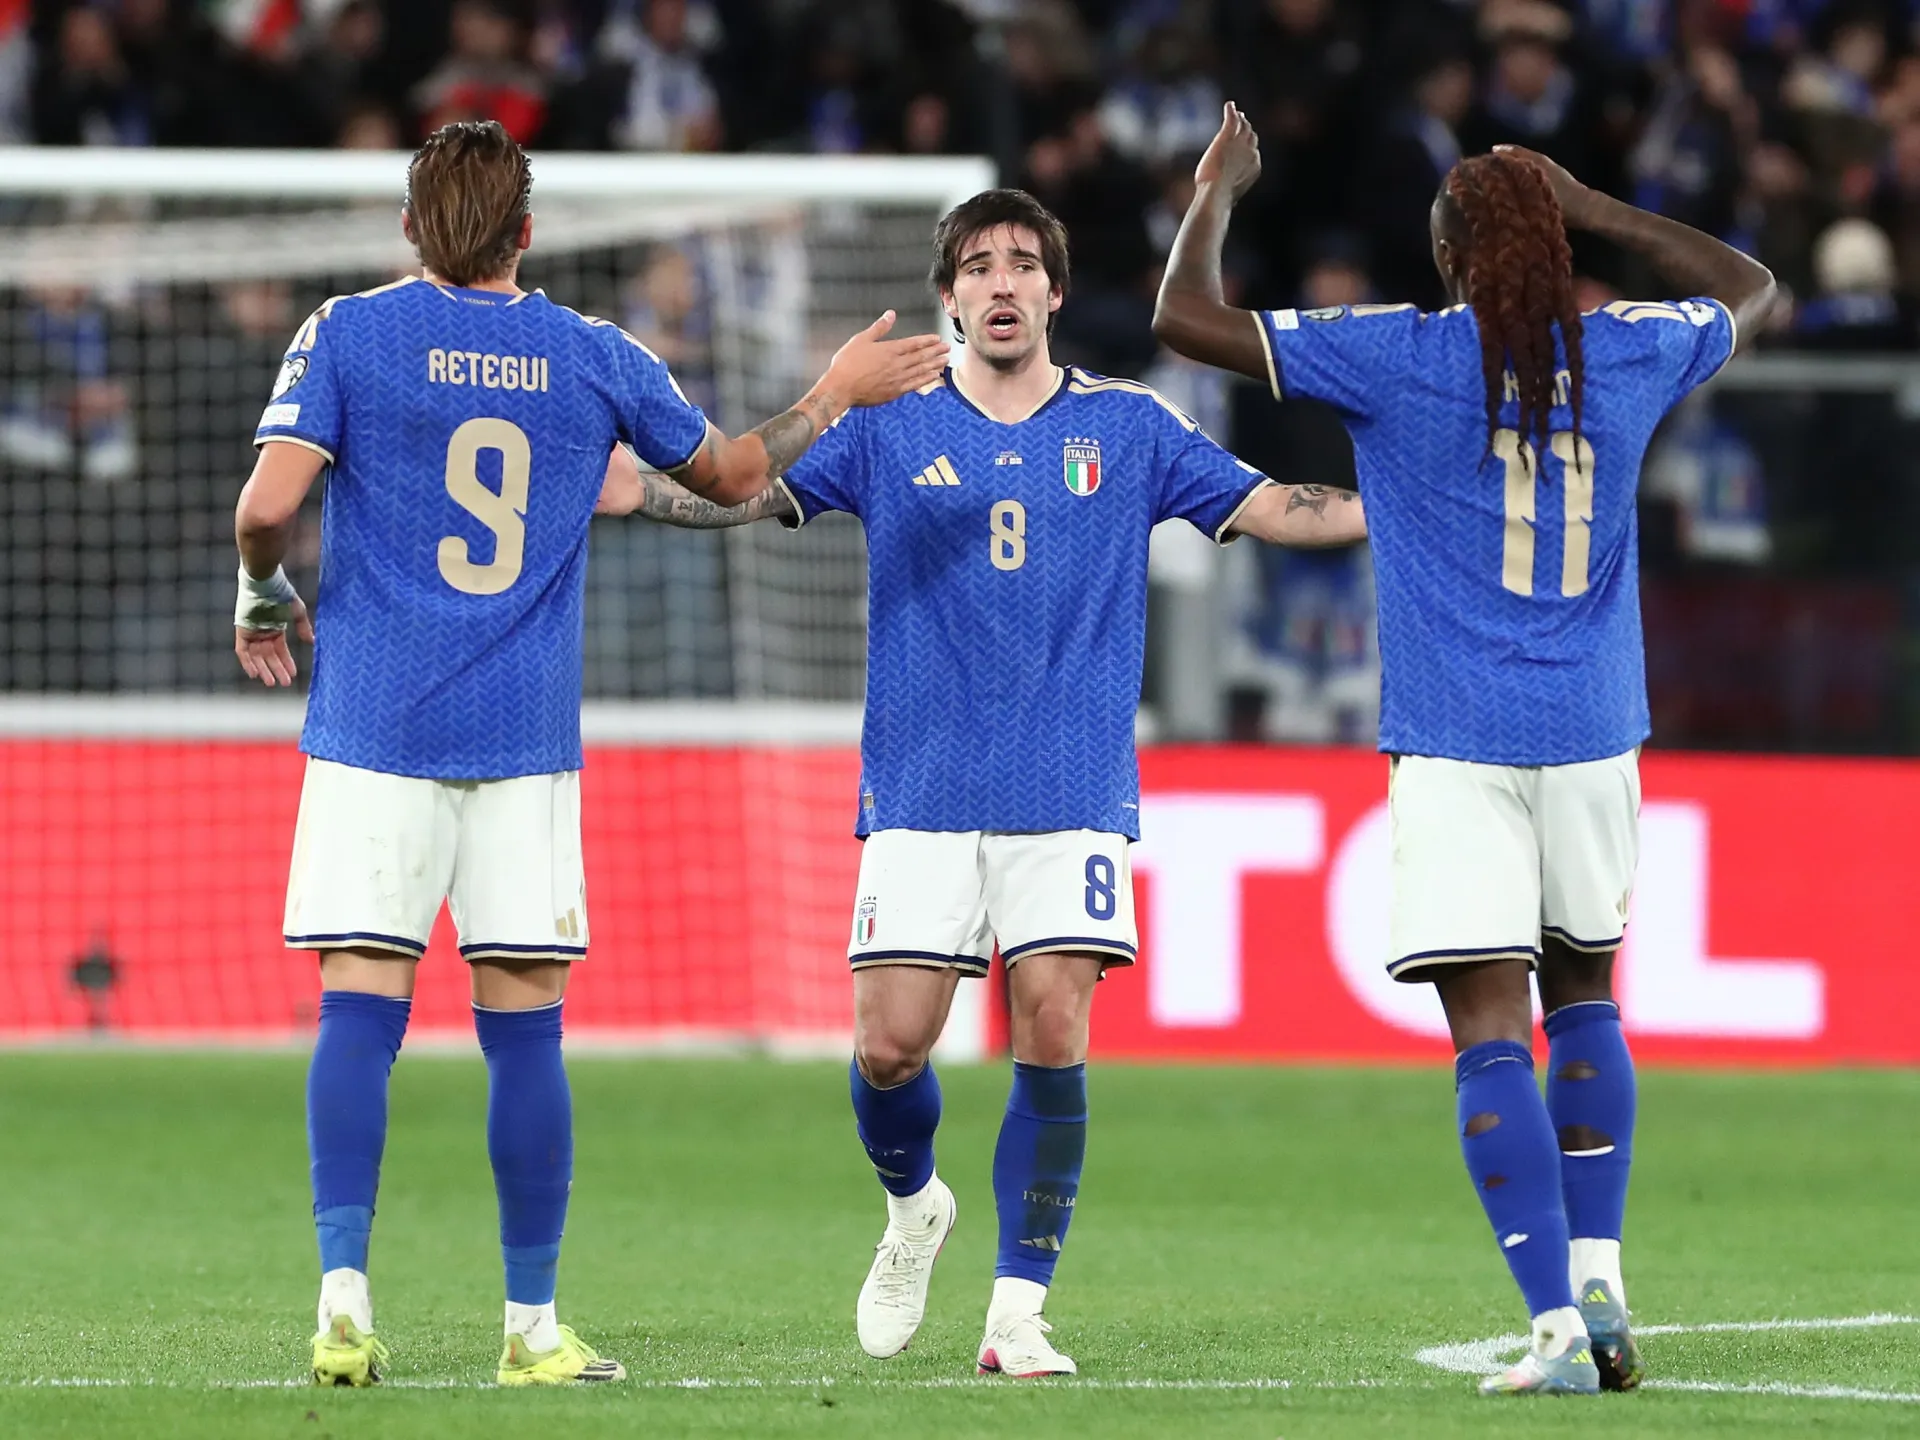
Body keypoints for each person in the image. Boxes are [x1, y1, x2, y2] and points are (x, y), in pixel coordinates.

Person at [602, 187, 1367, 1377]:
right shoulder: (891, 423)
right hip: (922, 787)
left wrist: (1414, 515)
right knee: (891, 1051)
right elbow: (741, 494)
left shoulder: (1129, 427)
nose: (1001, 284)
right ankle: (914, 1206)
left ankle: (1017, 1311)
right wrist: (638, 493)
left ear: (1055, 293)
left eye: (1022, 265)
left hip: (1070, 787)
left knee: (1053, 1025)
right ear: (950, 295)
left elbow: (1277, 506)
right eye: (977, 266)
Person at [230, 119, 946, 1388]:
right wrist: (833, 391)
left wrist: (261, 596)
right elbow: (729, 479)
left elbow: (266, 509)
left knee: (359, 1011)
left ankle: (342, 1297)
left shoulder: (344, 329)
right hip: (519, 740)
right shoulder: (589, 352)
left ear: (410, 225)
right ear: (526, 232)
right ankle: (532, 1328)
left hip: (372, 730)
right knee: (523, 1036)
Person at [1153, 104, 1775, 1396]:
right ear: (1555, 242)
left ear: (1445, 258)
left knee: (1490, 1031)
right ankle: (1601, 1273)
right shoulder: (1627, 352)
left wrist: (1217, 192)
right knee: (1588, 997)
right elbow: (1752, 287)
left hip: (1455, 742)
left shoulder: (1400, 356)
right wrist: (1596, 208)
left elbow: (1187, 321)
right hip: (1597, 732)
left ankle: (1553, 1326)